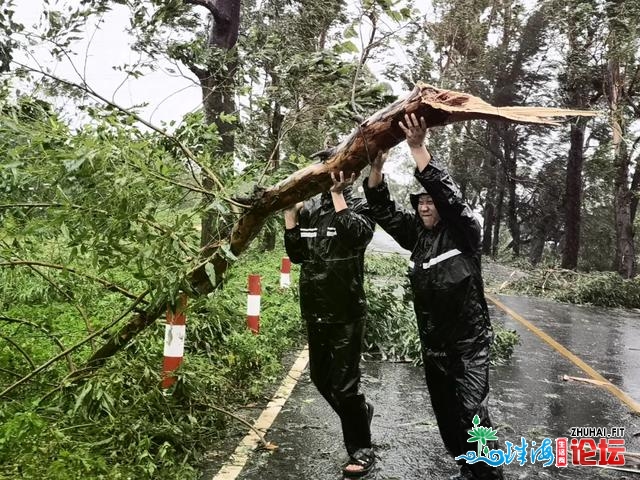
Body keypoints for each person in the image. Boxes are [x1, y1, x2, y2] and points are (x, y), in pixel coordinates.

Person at [363, 114, 504, 480]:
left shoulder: (464, 234)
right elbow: (383, 210)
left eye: (430, 201)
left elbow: (450, 198)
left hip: (469, 344)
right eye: (420, 202)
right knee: (446, 414)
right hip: (435, 346)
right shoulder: (418, 237)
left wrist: (416, 147)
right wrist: (376, 169)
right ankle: (466, 467)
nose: (425, 206)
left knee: (473, 410)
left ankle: (489, 473)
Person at [283, 171, 376, 478]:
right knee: (322, 379)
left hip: (347, 311)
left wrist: (338, 196)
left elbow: (357, 236)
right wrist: (290, 216)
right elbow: (297, 255)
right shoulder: (309, 209)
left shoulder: (359, 205)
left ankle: (361, 450)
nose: (329, 174)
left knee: (346, 386)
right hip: (315, 308)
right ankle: (361, 417)